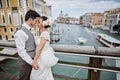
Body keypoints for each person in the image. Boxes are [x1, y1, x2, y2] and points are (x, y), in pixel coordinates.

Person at [14, 9, 40, 80]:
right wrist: (32, 62)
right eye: (35, 21)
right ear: (31, 19)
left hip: (30, 61)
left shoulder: (28, 30)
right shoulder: (20, 33)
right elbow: (21, 51)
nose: (36, 23)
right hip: (25, 63)